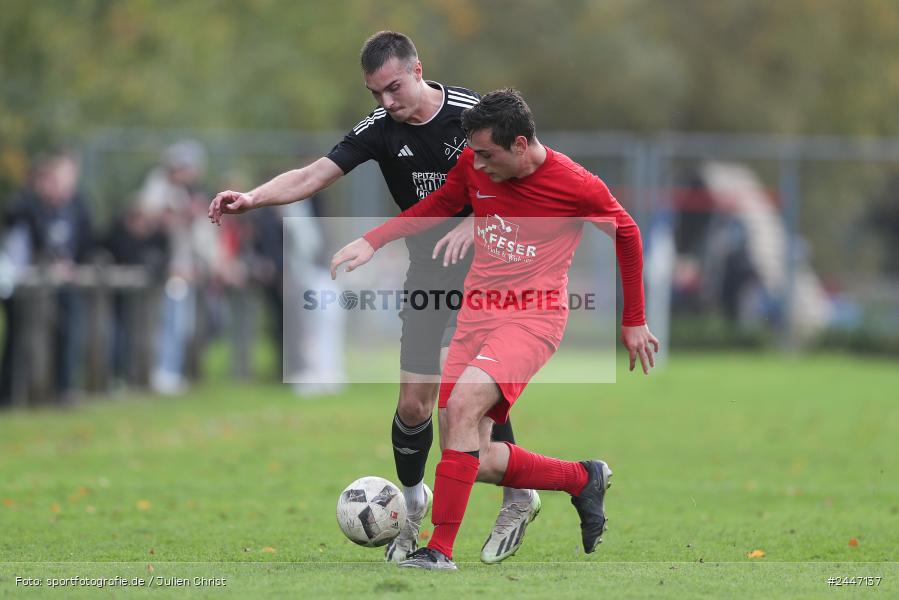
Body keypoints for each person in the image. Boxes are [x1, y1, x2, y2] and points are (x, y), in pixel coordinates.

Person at [207, 31, 538, 563]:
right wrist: (253, 198)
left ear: (418, 70)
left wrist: (477, 224)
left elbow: (522, 178)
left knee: (474, 400)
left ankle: (517, 495)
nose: (387, 101)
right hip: (430, 273)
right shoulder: (380, 130)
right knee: (413, 405)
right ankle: (411, 508)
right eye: (375, 93)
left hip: (492, 271)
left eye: (394, 87)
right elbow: (315, 173)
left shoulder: (470, 113)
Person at [330, 89, 660, 570]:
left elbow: (627, 233)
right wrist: (373, 240)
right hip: (475, 317)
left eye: (486, 154)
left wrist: (634, 320)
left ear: (521, 145)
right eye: (474, 153)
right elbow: (438, 204)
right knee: (471, 455)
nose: (475, 164)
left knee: (462, 407)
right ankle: (580, 479)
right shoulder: (475, 164)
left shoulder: (575, 184)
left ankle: (438, 551)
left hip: (532, 319)